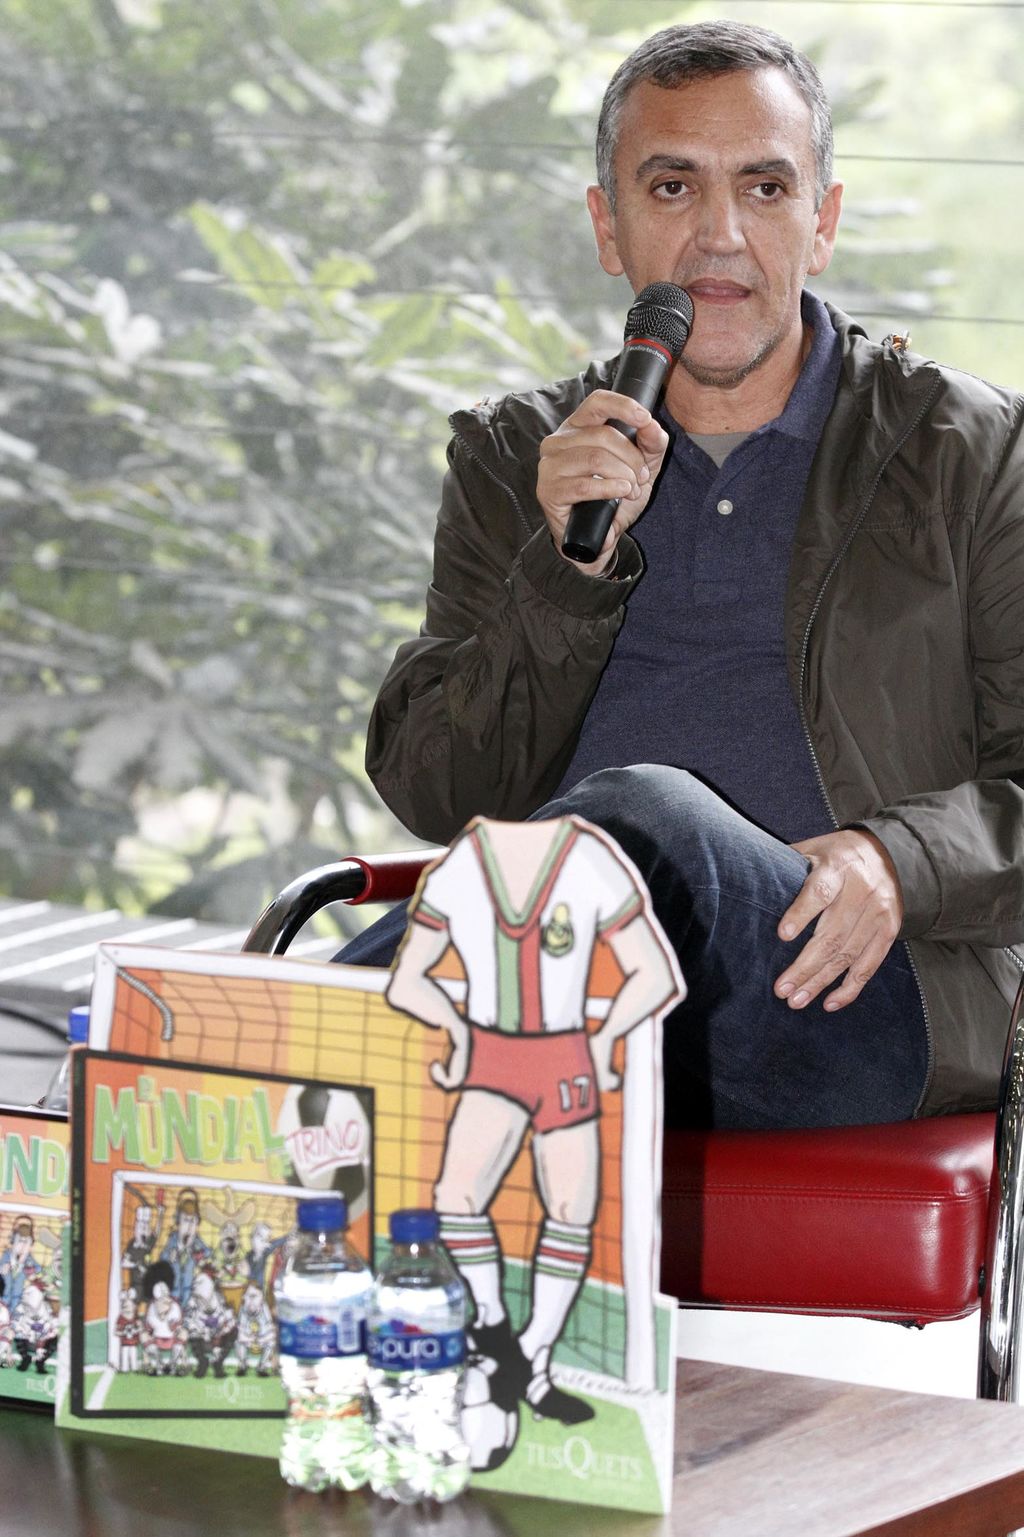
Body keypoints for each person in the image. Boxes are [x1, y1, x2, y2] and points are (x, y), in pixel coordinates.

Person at [353, 20, 1024, 1129]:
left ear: (822, 222)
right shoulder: (516, 453)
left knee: (644, 812)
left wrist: (895, 861)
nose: (720, 234)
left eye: (765, 187)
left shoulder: (972, 449)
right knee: (600, 867)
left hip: (856, 991)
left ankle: (289, 1043)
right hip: (558, 994)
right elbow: (439, 792)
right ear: (606, 226)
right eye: (672, 187)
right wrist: (566, 567)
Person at [386, 814, 682, 1422]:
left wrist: (604, 1040)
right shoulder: (463, 864)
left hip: (563, 1060)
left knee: (571, 1210)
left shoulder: (586, 857)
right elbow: (405, 983)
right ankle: (494, 1328)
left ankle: (534, 1360)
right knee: (457, 1197)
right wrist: (457, 1029)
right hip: (493, 1056)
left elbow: (654, 975)